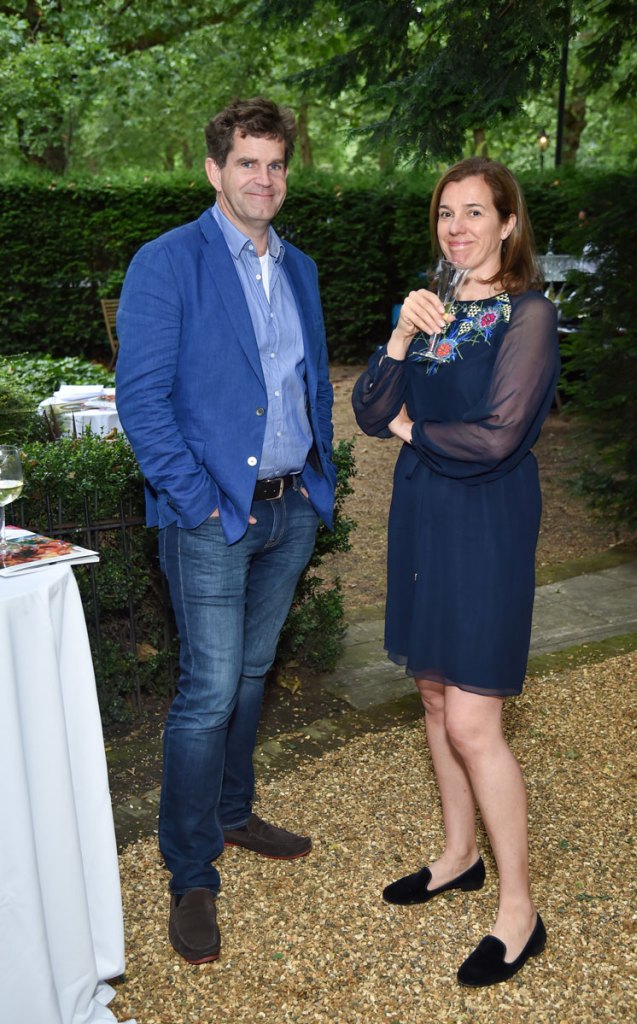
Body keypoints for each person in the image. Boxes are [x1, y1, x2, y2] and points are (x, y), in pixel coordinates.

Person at [115, 97, 336, 965]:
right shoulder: (167, 263)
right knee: (207, 692)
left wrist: (316, 490)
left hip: (290, 508)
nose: (264, 178)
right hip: (213, 515)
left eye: (276, 164)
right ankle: (189, 870)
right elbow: (143, 400)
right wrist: (201, 502)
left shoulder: (301, 268)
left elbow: (305, 384)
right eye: (247, 162)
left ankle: (234, 811)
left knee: (250, 672)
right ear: (214, 170)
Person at [352, 157, 559, 987]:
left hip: (486, 521)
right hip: (423, 518)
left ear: (508, 222)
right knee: (435, 695)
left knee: (476, 722)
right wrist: (400, 336)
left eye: (475, 212)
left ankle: (520, 913)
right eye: (446, 213)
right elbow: (368, 407)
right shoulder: (432, 308)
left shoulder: (529, 314)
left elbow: (500, 434)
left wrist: (409, 431)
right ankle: (457, 855)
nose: (458, 228)